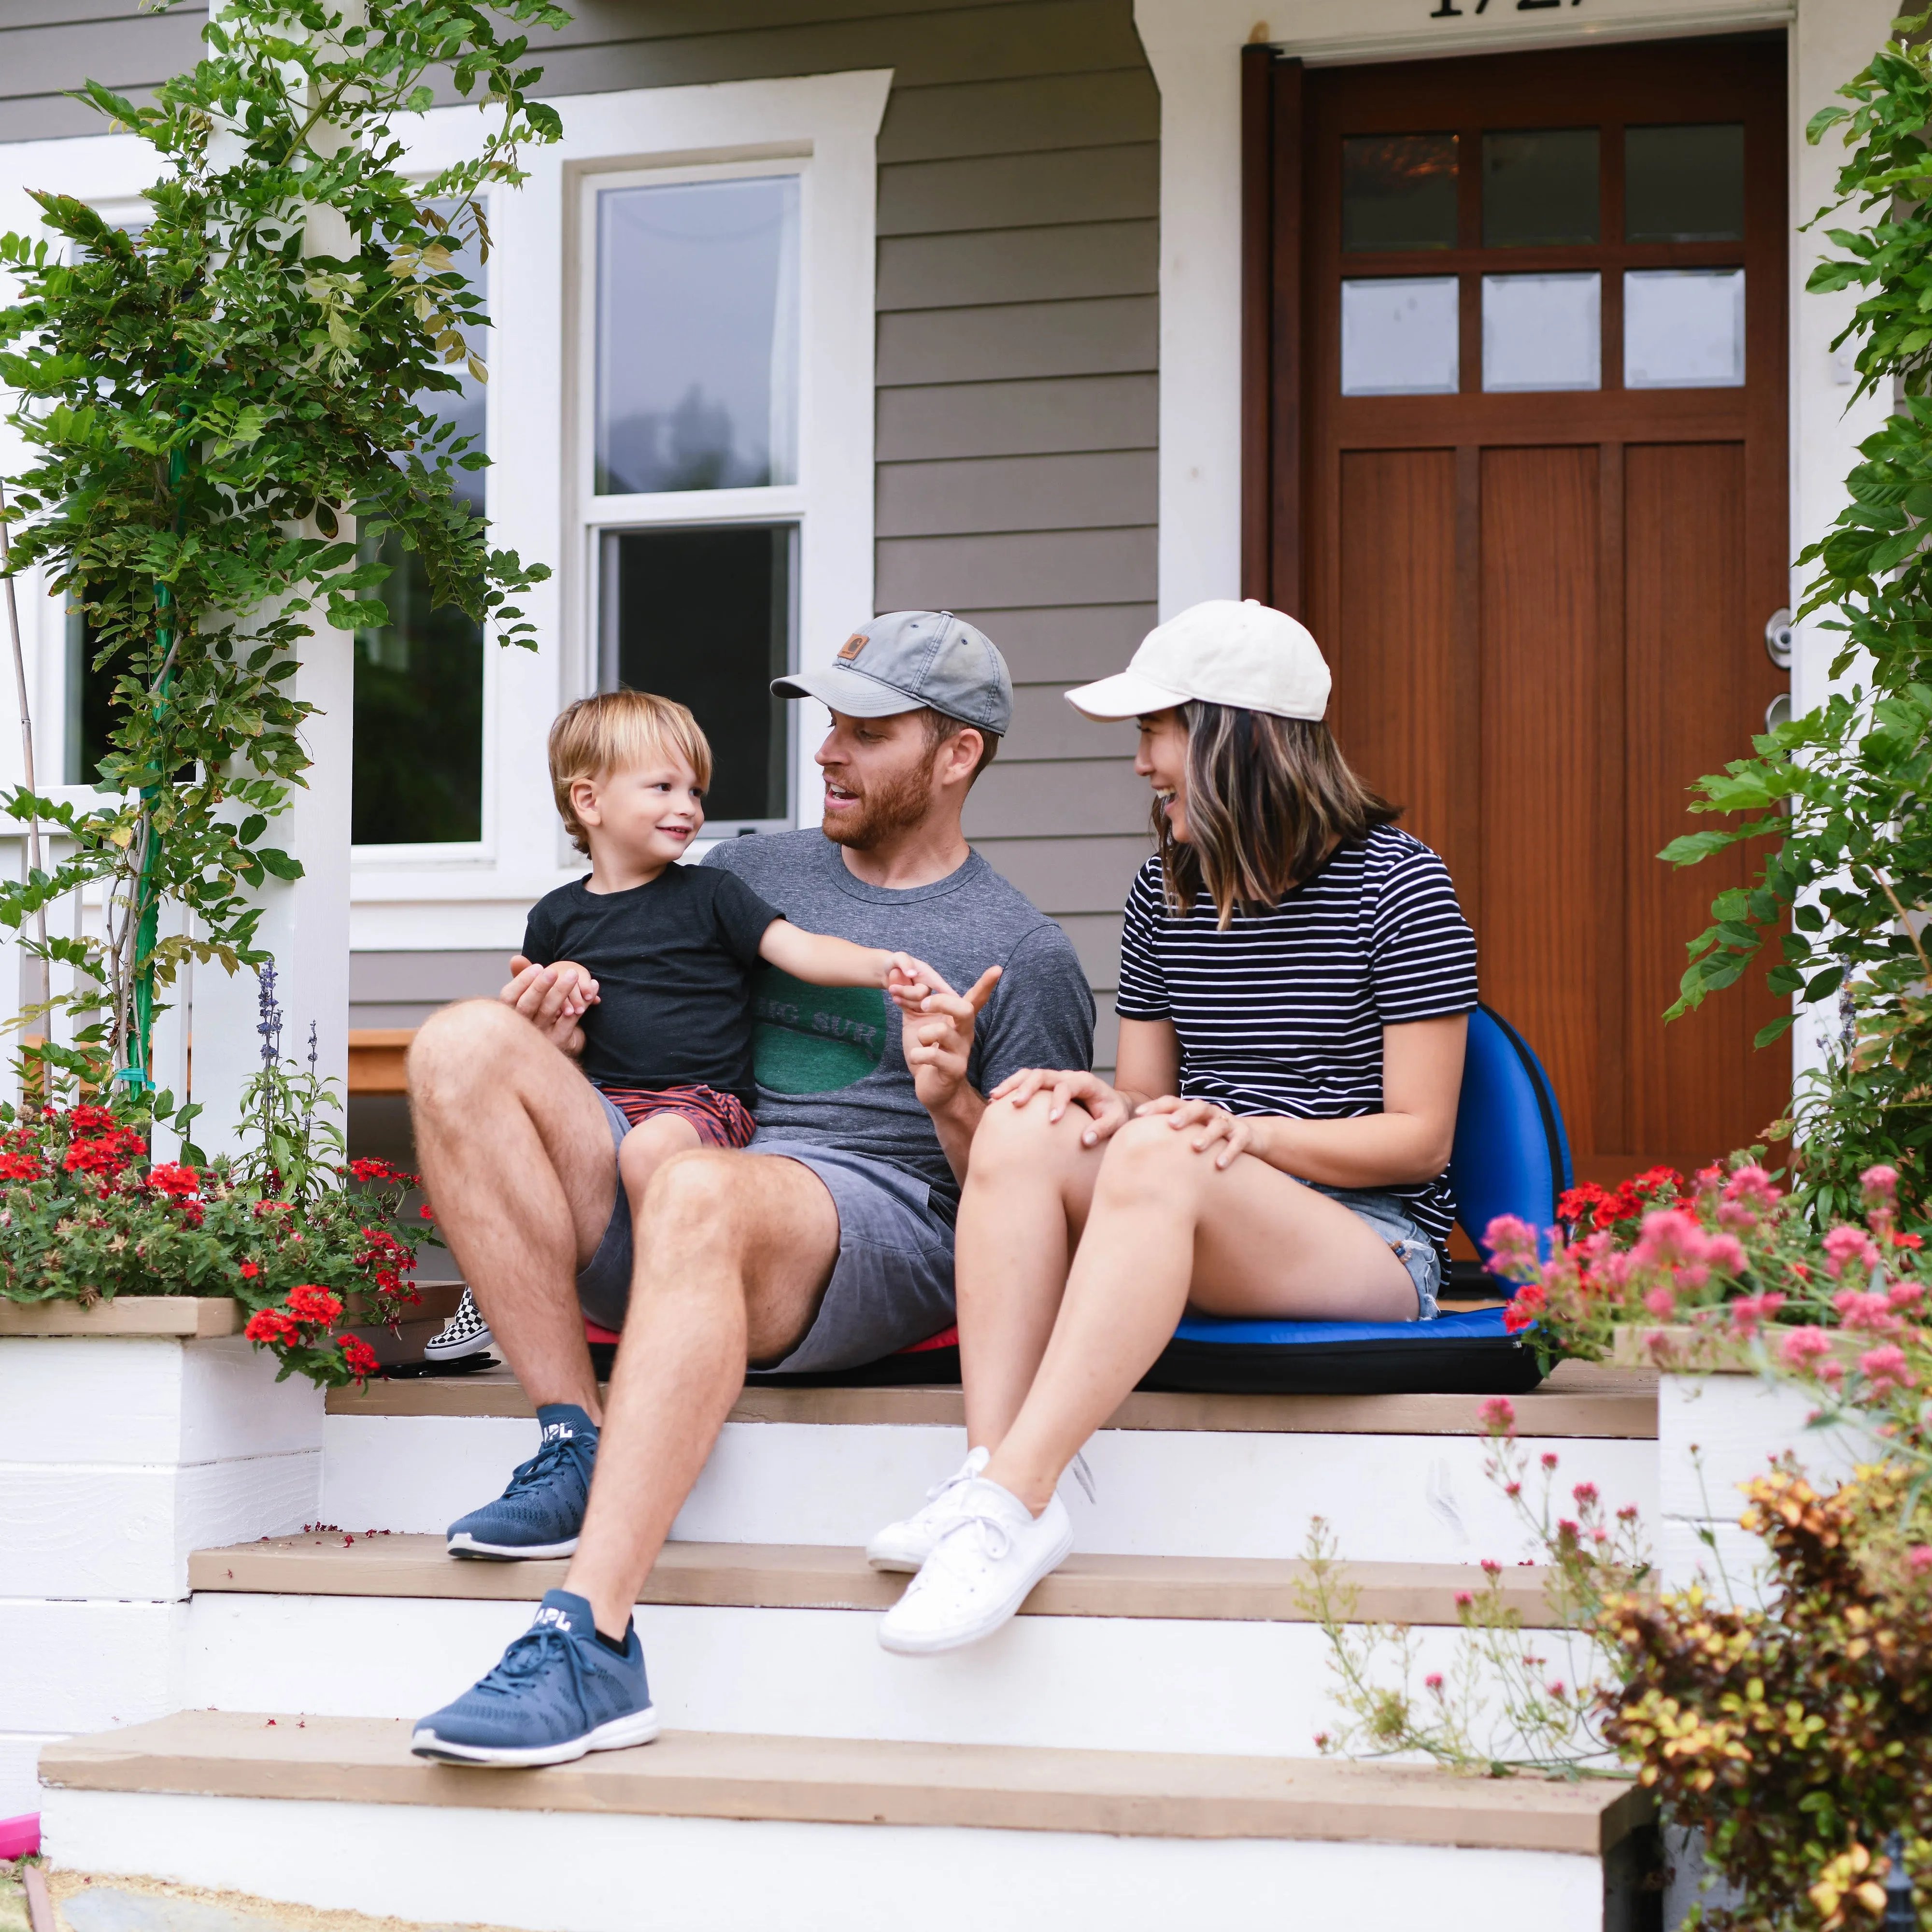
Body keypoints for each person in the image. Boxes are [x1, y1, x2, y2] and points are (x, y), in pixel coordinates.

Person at [406, 610, 1094, 1764]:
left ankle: (590, 1640)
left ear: (957, 753)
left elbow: (1035, 1208)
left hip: (864, 1232)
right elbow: (638, 1047)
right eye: (826, 721)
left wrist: (949, 1100)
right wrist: (557, 1033)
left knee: (696, 1188)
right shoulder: (744, 870)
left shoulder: (1017, 949)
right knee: (460, 1041)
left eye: (866, 731)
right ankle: (570, 1434)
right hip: (672, 1182)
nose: (826, 750)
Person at [863, 598, 1479, 1656]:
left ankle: (1013, 1501)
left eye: (1156, 732)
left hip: (1371, 1240)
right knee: (1024, 1114)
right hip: (1197, 1193)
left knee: (1157, 1148)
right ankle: (984, 1469)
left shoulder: (1400, 884)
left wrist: (1235, 1131)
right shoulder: (1165, 889)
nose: (1141, 762)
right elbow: (1147, 1109)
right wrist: (1095, 1105)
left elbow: (1418, 1141)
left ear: (1234, 736)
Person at [423, 690, 934, 1380]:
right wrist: (556, 1015)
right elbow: (547, 1048)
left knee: (652, 1150)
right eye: (663, 787)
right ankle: (501, 1285)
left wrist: (883, 964)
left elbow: (802, 951)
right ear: (590, 802)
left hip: (699, 1105)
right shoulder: (554, 918)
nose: (688, 807)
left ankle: (669, 1308)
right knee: (523, 1143)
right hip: (605, 1103)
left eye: (695, 789)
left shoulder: (711, 894)